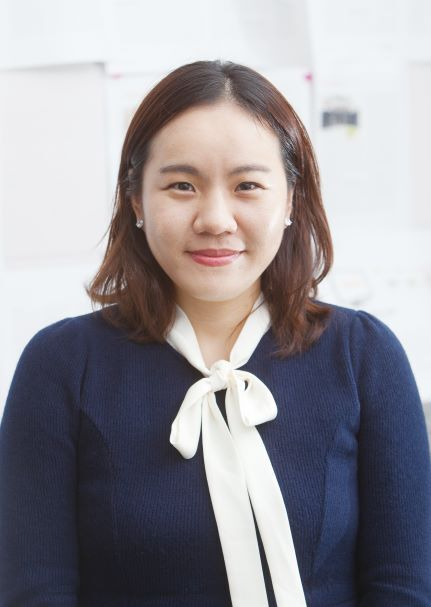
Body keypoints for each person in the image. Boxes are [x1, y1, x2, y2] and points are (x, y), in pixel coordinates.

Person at [0, 59, 430, 607]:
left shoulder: (364, 355)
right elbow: (34, 592)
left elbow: (403, 587)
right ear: (136, 200)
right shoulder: (61, 366)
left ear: (291, 199)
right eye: (182, 185)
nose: (216, 219)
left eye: (247, 185)